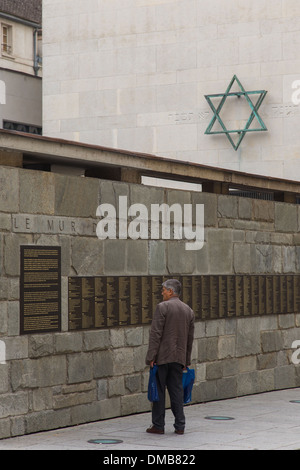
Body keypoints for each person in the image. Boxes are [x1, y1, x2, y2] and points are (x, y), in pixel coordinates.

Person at [145, 278, 195, 435]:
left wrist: (151, 357)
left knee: (158, 391)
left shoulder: (162, 307)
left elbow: (156, 334)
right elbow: (189, 338)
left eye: (164, 290)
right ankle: (180, 425)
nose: (162, 293)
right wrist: (186, 360)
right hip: (179, 359)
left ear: (171, 291)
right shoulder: (188, 310)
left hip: (162, 358)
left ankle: (158, 425)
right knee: (177, 392)